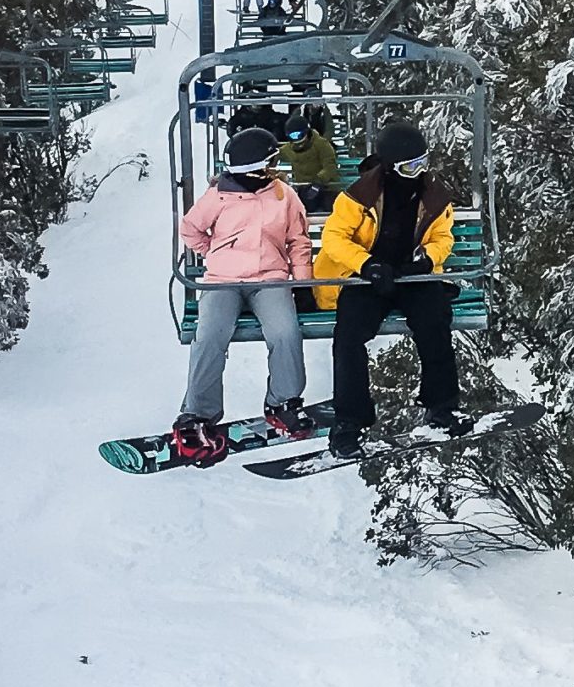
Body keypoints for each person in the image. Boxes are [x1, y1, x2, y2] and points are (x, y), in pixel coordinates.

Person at [313, 123, 464, 459]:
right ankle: (350, 419)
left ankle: (442, 406)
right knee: (349, 335)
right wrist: (366, 264)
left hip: (411, 276)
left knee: (435, 321)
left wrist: (428, 260)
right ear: (391, 165)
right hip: (369, 277)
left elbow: (443, 237)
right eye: (411, 166)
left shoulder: (433, 194)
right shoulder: (358, 196)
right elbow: (334, 238)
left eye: (424, 162)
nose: (420, 171)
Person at [170, 123, 314, 464]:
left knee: (285, 332)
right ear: (253, 170)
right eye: (270, 164)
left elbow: (298, 240)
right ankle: (198, 412)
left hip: (270, 278)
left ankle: (283, 401)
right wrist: (212, 252)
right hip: (224, 280)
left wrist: (304, 283)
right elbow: (190, 228)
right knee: (209, 336)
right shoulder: (219, 195)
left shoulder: (283, 195)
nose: (276, 170)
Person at [277, 109, 341, 210]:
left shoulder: (321, 144)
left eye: (299, 135)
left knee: (330, 204)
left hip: (326, 187)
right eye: (292, 136)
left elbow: (330, 166)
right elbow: (275, 155)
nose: (297, 141)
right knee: (299, 206)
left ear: (307, 132)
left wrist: (318, 182)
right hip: (304, 188)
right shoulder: (289, 148)